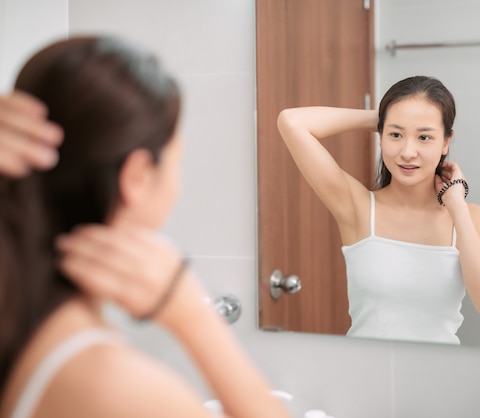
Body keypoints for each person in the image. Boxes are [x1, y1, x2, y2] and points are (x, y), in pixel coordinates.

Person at [0, 36, 290, 418]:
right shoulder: (114, 388)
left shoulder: (18, 323)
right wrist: (193, 317)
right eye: (176, 159)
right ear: (136, 175)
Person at [277, 76, 480, 345]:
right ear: (381, 136)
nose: (408, 151)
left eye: (424, 137)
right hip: (364, 376)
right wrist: (384, 117)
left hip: (439, 379)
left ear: (446, 142)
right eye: (395, 135)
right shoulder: (359, 208)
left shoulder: (472, 217)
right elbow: (291, 122)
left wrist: (457, 207)